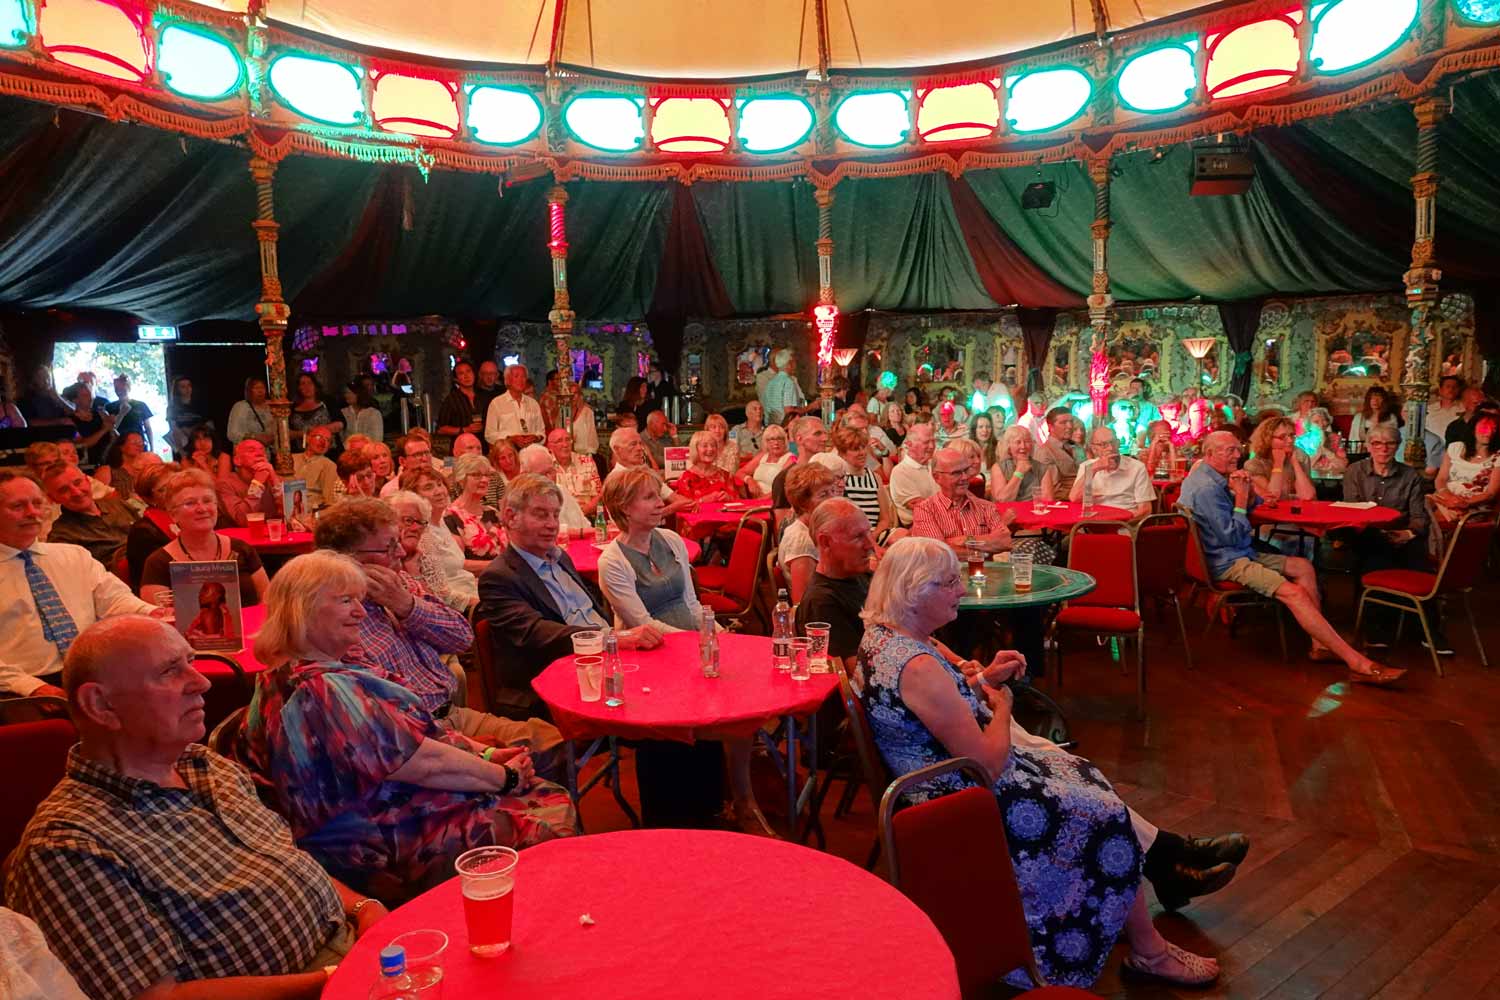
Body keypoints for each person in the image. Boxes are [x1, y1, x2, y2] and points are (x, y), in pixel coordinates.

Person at [856, 538, 1221, 988]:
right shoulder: (916, 664)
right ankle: (1148, 951)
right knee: (1105, 813)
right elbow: (987, 765)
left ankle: (1126, 926)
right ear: (914, 591)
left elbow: (932, 713)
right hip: (958, 797)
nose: (961, 589)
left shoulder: (886, 638)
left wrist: (984, 679)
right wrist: (1004, 704)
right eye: (949, 582)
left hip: (936, 781)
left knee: (1086, 777)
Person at [5, 615, 386, 1000]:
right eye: (171, 671)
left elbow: (286, 862)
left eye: (192, 661)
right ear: (100, 704)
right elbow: (159, 996)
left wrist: (364, 908)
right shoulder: (67, 845)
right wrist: (336, 976)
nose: (201, 682)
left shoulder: (205, 765)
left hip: (349, 954)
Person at [243, 551, 576, 905]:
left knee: (533, 767)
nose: (360, 611)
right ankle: (542, 916)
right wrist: (504, 776)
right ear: (302, 610)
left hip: (390, 807)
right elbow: (421, 761)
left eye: (359, 599)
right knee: (547, 809)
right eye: (345, 601)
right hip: (380, 843)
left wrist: (488, 753)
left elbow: (415, 736)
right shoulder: (322, 690)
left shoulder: (299, 671)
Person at [1179, 431, 1404, 684]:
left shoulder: (1208, 476)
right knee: (1294, 593)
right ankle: (1358, 663)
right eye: (1229, 450)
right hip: (1227, 562)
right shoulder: (1207, 489)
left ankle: (1320, 645)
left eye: (1237, 448)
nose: (1238, 454)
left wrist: (1249, 493)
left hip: (1237, 552)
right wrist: (1241, 498)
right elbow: (1231, 536)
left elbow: (1243, 517)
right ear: (1210, 454)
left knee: (1303, 566)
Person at [477, 474, 663, 717]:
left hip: (606, 665)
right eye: (541, 514)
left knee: (681, 691)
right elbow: (536, 633)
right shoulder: (499, 578)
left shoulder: (560, 558)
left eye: (555, 514)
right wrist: (612, 638)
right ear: (511, 517)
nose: (552, 524)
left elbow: (593, 612)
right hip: (557, 684)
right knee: (660, 715)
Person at [0, 472, 160, 697]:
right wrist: (31, 687)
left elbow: (115, 600)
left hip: (90, 672)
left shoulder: (73, 556)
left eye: (37, 503)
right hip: (18, 689)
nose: (32, 513)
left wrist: (155, 612)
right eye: (18, 506)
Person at [1341, 425, 1440, 649]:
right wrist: (1382, 534)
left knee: (1420, 563)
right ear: (1368, 446)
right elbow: (1354, 512)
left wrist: (1406, 534)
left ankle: (1428, 631)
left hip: (1403, 534)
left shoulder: (1410, 475)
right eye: (1377, 443)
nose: (1383, 449)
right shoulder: (1355, 471)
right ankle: (1378, 630)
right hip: (1367, 533)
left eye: (1390, 444)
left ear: (1397, 446)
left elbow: (1418, 516)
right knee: (1376, 556)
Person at [597, 466, 709, 632]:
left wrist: (716, 632)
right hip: (650, 650)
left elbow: (692, 605)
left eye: (658, 495)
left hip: (691, 638)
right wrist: (694, 640)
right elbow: (643, 625)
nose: (661, 503)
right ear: (624, 507)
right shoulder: (612, 562)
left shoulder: (672, 540)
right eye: (650, 497)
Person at [140, 468, 270, 607]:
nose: (202, 509)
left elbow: (268, 602)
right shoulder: (158, 563)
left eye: (207, 501)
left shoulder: (242, 549)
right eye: (189, 503)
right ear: (173, 515)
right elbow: (159, 620)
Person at [913, 446, 1015, 556]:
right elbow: (937, 553)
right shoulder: (925, 510)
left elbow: (1005, 542)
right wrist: (987, 545)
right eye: (956, 473)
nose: (965, 477)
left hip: (984, 572)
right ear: (937, 477)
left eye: (966, 470)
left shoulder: (987, 507)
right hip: (944, 573)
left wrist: (964, 540)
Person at [388, 489, 477, 614]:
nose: (416, 527)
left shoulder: (424, 545)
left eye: (421, 522)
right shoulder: (381, 556)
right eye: (408, 520)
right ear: (388, 521)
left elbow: (441, 596)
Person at [41, 462, 135, 568]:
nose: (76, 492)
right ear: (52, 498)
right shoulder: (63, 536)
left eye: (77, 483)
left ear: (87, 481)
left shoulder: (118, 505)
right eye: (64, 490)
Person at [777, 463, 844, 604]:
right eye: (824, 494)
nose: (833, 499)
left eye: (833, 491)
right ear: (803, 503)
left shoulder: (820, 527)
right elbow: (803, 602)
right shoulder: (801, 540)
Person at [1431, 411, 1500, 530]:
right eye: (1484, 428)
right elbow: (1440, 479)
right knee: (1419, 507)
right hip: (1446, 497)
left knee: (1432, 520)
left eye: (1493, 428)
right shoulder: (1456, 447)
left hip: (1474, 505)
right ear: (1473, 428)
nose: (1489, 433)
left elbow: (1490, 493)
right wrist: (1449, 497)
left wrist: (1464, 503)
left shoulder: (1498, 457)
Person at [605, 427, 694, 515]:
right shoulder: (615, 480)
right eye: (633, 444)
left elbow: (674, 498)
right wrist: (671, 509)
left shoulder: (647, 474)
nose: (640, 448)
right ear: (617, 449)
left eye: (640, 443)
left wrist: (696, 503)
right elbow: (634, 519)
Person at [123, 461, 180, 592]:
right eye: (163, 489)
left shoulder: (186, 517)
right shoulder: (144, 531)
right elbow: (158, 577)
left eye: (176, 484)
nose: (173, 492)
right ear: (148, 499)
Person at [443, 452, 506, 561]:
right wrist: (496, 568)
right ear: (461, 480)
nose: (485, 480)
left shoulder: (492, 512)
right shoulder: (450, 516)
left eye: (487, 475)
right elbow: (459, 563)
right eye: (477, 475)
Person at [833, 424, 892, 536]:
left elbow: (885, 519)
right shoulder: (839, 480)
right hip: (850, 536)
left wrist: (873, 536)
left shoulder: (875, 478)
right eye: (855, 449)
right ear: (842, 454)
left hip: (875, 533)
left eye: (863, 447)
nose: (862, 453)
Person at [1243, 416, 1317, 503]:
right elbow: (1273, 496)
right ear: (1268, 439)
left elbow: (1307, 496)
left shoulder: (1301, 457)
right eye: (1282, 437)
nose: (1290, 440)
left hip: (1298, 511)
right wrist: (1278, 463)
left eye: (1292, 435)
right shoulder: (1254, 464)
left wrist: (1295, 462)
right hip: (1270, 513)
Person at [519, 445, 590, 535]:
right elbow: (548, 533)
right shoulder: (521, 501)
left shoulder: (561, 491)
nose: (549, 479)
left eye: (551, 471)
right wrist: (582, 532)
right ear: (526, 476)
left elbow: (585, 524)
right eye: (543, 474)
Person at [215, 439, 282, 527]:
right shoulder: (225, 484)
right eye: (251, 450)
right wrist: (257, 484)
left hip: (273, 537)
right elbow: (242, 520)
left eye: (262, 450)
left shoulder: (274, 480)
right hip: (240, 539)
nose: (259, 454)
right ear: (237, 460)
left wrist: (275, 482)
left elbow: (292, 515)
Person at [889, 421, 938, 528]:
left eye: (933, 441)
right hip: (919, 527)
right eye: (926, 442)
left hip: (944, 519)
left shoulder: (937, 464)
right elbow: (923, 508)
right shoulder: (901, 472)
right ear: (909, 444)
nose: (932, 446)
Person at [485, 364, 546, 449]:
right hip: (508, 453)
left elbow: (541, 432)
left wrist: (536, 437)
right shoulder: (496, 403)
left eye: (524, 377)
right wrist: (510, 439)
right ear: (508, 380)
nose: (521, 380)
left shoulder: (533, 404)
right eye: (516, 376)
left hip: (531, 452)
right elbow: (489, 435)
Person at [992, 424, 1057, 502]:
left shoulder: (1042, 468)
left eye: (1027, 442)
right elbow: (1002, 499)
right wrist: (1019, 472)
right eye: (1018, 442)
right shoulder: (998, 468)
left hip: (1034, 512)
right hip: (1007, 512)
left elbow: (1048, 500)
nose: (1023, 446)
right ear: (1009, 447)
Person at [435, 360, 486, 454]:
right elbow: (440, 429)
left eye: (468, 371)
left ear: (474, 374)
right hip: (458, 451)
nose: (466, 376)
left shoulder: (483, 396)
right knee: (451, 467)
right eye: (461, 373)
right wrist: (464, 429)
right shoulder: (451, 399)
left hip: (482, 448)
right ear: (456, 379)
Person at [548, 428, 602, 516]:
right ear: (550, 447)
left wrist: (585, 510)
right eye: (559, 441)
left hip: (587, 517)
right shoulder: (546, 465)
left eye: (568, 440)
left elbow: (599, 495)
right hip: (559, 518)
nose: (565, 444)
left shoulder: (586, 461)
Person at [675, 430, 737, 503]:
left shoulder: (726, 475)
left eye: (713, 445)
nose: (710, 449)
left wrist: (729, 498)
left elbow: (738, 502)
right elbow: (683, 506)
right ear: (695, 449)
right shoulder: (685, 479)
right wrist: (703, 500)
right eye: (705, 446)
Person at [65, 381, 116, 467]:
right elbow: (82, 444)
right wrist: (104, 430)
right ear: (75, 400)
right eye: (85, 395)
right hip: (87, 464)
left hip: (107, 461)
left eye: (90, 394)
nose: (90, 398)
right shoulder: (70, 421)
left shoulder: (101, 414)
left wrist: (112, 427)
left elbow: (115, 437)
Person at [739, 423, 794, 499]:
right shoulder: (762, 456)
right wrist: (750, 480)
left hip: (773, 501)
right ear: (766, 443)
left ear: (785, 442)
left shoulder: (790, 458)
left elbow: (783, 487)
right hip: (754, 500)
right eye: (771, 439)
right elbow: (740, 473)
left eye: (779, 438)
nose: (776, 443)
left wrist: (763, 499)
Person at [293, 424, 341, 509]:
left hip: (312, 511)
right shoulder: (291, 459)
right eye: (319, 437)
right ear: (307, 438)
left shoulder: (329, 465)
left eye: (328, 440)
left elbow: (330, 500)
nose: (323, 442)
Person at [1038, 407, 1082, 496]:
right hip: (1065, 502)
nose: (1069, 426)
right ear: (1051, 427)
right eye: (1063, 423)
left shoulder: (1077, 447)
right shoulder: (1045, 452)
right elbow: (1054, 489)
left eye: (1071, 421)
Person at [105, 374, 153, 453]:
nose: (119, 390)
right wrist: (121, 413)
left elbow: (148, 428)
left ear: (128, 387)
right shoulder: (110, 407)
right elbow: (110, 429)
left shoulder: (140, 405)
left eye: (122, 387)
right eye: (117, 388)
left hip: (138, 444)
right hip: (119, 445)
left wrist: (152, 448)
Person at [764, 348, 810, 424]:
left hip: (770, 426)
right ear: (789, 364)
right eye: (794, 361)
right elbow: (789, 411)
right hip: (784, 427)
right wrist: (811, 407)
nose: (796, 364)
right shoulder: (788, 382)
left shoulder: (770, 382)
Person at [164, 375, 207, 458]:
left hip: (200, 444)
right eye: (183, 387)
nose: (187, 389)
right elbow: (173, 429)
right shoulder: (172, 408)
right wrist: (181, 452)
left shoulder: (200, 405)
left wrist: (191, 430)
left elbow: (208, 426)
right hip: (182, 447)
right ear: (177, 390)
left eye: (189, 385)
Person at [227, 376, 274, 448]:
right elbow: (232, 434)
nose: (260, 391)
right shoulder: (241, 407)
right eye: (256, 388)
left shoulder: (271, 406)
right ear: (249, 390)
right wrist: (255, 437)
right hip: (249, 454)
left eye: (262, 388)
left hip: (270, 453)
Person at [340, 377, 384, 447]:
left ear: (359, 393)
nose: (347, 395)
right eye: (345, 393)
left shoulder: (374, 413)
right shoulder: (343, 412)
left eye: (350, 393)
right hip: (348, 453)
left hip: (368, 452)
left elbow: (377, 439)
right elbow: (341, 438)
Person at [1425, 375, 1465, 439]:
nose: (1451, 389)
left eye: (1454, 387)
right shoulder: (1429, 409)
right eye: (1448, 386)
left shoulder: (1463, 409)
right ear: (1440, 390)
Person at [487, 438, 520, 508]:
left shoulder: (525, 467)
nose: (508, 461)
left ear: (515, 454)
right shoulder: (495, 477)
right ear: (496, 461)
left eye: (510, 455)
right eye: (503, 458)